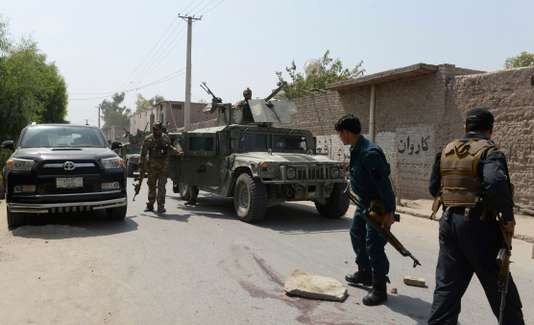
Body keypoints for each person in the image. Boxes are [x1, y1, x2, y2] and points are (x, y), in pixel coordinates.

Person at [427, 107, 524, 324]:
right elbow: (496, 183)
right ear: (490, 129)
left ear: (466, 127)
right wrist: (508, 219)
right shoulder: (490, 151)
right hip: (479, 227)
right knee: (501, 289)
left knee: (447, 289)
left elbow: (434, 189)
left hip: (449, 221)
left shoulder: (447, 150)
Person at [335, 114, 396, 306]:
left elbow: (384, 185)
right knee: (356, 233)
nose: (340, 137)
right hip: (364, 203)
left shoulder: (369, 153)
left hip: (377, 204)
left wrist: (390, 211)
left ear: (346, 132)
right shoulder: (356, 148)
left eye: (340, 134)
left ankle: (379, 289)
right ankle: (364, 273)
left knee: (374, 244)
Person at [139, 122, 182, 214]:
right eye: (154, 129)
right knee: (151, 186)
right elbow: (143, 153)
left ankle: (160, 207)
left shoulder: (165, 138)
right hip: (152, 167)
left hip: (163, 167)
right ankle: (150, 205)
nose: (155, 131)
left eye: (157, 129)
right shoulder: (148, 139)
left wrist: (177, 151)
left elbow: (169, 148)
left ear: (160, 129)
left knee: (162, 187)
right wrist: (141, 163)